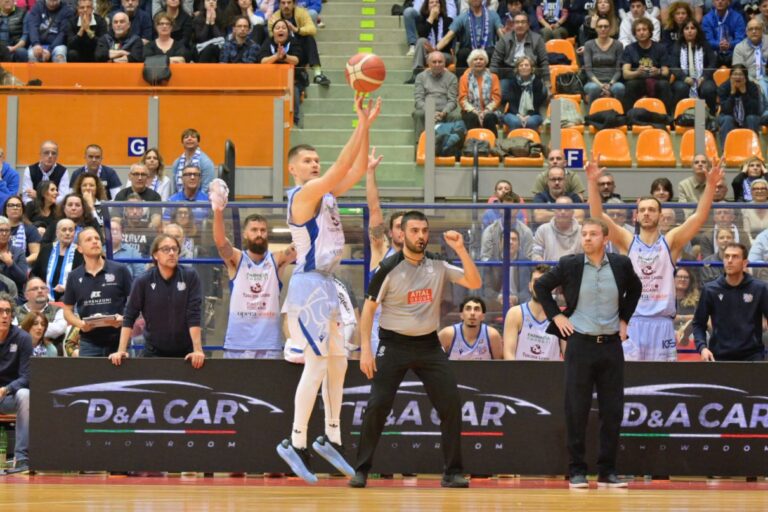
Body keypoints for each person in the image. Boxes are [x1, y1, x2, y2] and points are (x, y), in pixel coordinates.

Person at [276, 95, 380, 483]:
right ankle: (295, 441)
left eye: (316, 160)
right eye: (307, 160)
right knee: (318, 362)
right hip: (307, 286)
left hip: (327, 284)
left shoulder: (327, 195)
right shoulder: (302, 196)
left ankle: (331, 436)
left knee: (338, 359)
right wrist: (361, 124)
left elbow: (354, 169)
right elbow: (340, 169)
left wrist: (366, 130)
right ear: (292, 168)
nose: (314, 164)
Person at [350, 210, 481, 489]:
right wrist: (366, 351)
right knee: (377, 405)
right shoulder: (388, 268)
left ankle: (452, 472)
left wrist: (460, 249)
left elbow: (474, 282)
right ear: (402, 234)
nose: (420, 236)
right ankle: (361, 470)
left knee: (451, 403)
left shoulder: (438, 264)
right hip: (393, 344)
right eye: (414, 231)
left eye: (424, 231)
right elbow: (368, 310)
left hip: (428, 345)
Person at [533, 218, 642, 489]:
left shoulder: (621, 264)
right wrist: (556, 316)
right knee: (576, 409)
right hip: (580, 344)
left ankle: (607, 472)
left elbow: (636, 289)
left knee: (612, 410)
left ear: (605, 239)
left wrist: (624, 319)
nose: (587, 238)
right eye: (584, 234)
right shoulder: (569, 264)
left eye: (593, 234)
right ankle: (577, 471)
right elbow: (541, 286)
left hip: (611, 345)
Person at [586, 150, 724, 361]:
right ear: (636, 215)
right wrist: (591, 182)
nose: (647, 213)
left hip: (662, 324)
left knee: (662, 378)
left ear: (660, 215)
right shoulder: (627, 240)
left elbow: (699, 217)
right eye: (642, 210)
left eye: (652, 209)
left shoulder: (670, 241)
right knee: (630, 378)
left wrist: (711, 185)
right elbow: (597, 217)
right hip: (633, 321)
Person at [211, 183, 296, 359]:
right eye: (254, 230)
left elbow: (301, 245)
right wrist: (218, 211)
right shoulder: (237, 259)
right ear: (245, 234)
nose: (259, 234)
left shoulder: (277, 260)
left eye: (263, 230)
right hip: (237, 345)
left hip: (269, 346)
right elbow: (221, 243)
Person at [109, 233, 204, 365]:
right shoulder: (143, 280)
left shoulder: (190, 276)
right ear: (155, 255)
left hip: (186, 352)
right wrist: (121, 350)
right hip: (153, 352)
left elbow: (194, 314)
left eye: (174, 249)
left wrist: (198, 350)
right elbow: (129, 315)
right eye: (166, 249)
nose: (171, 253)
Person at [62, 227, 132, 357]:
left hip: (119, 340)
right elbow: (67, 311)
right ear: (80, 249)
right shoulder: (74, 276)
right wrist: (80, 324)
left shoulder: (120, 270)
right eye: (88, 239)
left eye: (97, 238)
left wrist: (123, 319)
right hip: (89, 343)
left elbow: (135, 304)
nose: (95, 241)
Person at [693, 242, 768, 361]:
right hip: (719, 357)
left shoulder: (760, 288)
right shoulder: (710, 289)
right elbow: (698, 324)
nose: (729, 260)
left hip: (752, 357)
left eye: (735, 257)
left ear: (745, 263)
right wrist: (702, 348)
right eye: (726, 256)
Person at [503, 263, 565, 360]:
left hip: (551, 370)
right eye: (536, 281)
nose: (540, 285)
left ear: (553, 287)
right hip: (521, 370)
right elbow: (508, 353)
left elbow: (568, 356)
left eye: (545, 282)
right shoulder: (515, 314)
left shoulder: (562, 318)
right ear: (529, 286)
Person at [0, 292, 31, 474]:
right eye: (0, 311)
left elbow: (27, 376)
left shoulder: (22, 338)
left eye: (8, 311)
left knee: (25, 394)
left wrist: (6, 389)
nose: (4, 315)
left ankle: (21, 459)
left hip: (10, 397)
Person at [268, 0, 330, 86]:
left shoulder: (301, 13)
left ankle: (318, 74)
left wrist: (296, 29)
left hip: (300, 49)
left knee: (309, 38)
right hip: (284, 51)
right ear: (279, 5)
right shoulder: (274, 17)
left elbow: (312, 29)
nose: (286, 6)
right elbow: (271, 37)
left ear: (294, 4)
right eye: (283, 3)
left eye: (289, 2)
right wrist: (283, 31)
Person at [489, 11, 550, 100]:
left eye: (523, 22)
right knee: (500, 91)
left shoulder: (537, 39)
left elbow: (544, 61)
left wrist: (547, 82)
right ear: (513, 25)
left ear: (528, 25)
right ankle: (518, 101)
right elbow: (495, 61)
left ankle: (521, 101)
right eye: (517, 22)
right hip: (510, 76)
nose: (520, 25)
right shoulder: (504, 39)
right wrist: (491, 83)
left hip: (531, 75)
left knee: (544, 91)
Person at [620, 17, 673, 115]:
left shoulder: (660, 48)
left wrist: (658, 71)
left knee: (664, 85)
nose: (641, 32)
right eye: (638, 30)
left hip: (656, 80)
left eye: (644, 29)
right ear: (635, 33)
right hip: (638, 81)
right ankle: (628, 118)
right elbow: (625, 74)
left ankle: (667, 118)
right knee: (631, 85)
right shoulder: (629, 49)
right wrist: (637, 72)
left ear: (650, 32)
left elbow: (666, 72)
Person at [436, 0, 503, 74]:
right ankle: (461, 79)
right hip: (468, 51)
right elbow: (447, 38)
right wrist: (434, 50)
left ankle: (493, 79)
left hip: (488, 50)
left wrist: (506, 34)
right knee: (462, 53)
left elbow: (502, 36)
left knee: (493, 53)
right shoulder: (462, 17)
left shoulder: (493, 15)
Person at [257, 18, 304, 125]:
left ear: (288, 32)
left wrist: (285, 57)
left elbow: (296, 60)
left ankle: (294, 120)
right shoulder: (268, 42)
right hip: (271, 80)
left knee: (294, 90)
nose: (280, 30)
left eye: (283, 28)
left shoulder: (293, 42)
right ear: (273, 32)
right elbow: (263, 61)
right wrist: (276, 56)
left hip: (291, 80)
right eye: (277, 28)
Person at [669, 19, 718, 114]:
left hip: (702, 78)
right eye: (686, 28)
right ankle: (681, 117)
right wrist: (684, 78)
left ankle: (703, 118)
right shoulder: (677, 45)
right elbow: (673, 66)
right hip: (683, 79)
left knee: (708, 89)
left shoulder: (705, 45)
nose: (690, 31)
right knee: (681, 88)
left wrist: (704, 77)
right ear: (683, 32)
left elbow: (713, 63)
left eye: (692, 28)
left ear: (697, 31)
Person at [412, 50, 460, 142]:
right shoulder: (420, 77)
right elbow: (419, 100)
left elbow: (452, 100)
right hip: (427, 108)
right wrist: (431, 112)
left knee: (456, 115)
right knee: (418, 114)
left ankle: (450, 145)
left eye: (440, 62)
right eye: (434, 62)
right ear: (428, 63)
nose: (437, 64)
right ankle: (421, 144)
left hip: (445, 109)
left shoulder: (452, 77)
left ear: (444, 63)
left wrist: (444, 112)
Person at [31, 219, 84, 301]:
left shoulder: (80, 252)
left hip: (72, 297)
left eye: (71, 230)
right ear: (57, 232)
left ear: (74, 233)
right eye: (64, 230)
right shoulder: (46, 249)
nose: (67, 233)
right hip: (44, 296)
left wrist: (67, 288)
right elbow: (35, 273)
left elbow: (84, 279)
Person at [438, 296, 502, 360]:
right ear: (461, 315)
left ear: (483, 316)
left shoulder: (492, 335)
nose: (472, 313)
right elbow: (434, 360)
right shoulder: (447, 334)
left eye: (476, 309)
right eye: (468, 309)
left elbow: (500, 364)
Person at [13, 277, 67, 350]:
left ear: (47, 292)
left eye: (43, 288)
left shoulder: (58, 310)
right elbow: (12, 332)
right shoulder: (15, 311)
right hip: (21, 351)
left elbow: (59, 329)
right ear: (26, 295)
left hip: (52, 354)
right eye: (35, 288)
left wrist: (25, 327)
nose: (40, 291)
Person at [406, 0, 453, 83]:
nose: (434, 4)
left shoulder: (448, 21)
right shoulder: (421, 19)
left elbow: (448, 43)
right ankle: (417, 73)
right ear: (427, 6)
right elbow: (422, 34)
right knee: (421, 40)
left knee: (439, 56)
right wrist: (431, 18)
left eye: (437, 2)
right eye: (431, 2)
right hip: (427, 55)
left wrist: (434, 51)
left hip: (444, 55)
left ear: (441, 5)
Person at [582, 16, 625, 106]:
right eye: (600, 26)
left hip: (612, 82)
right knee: (594, 88)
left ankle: (618, 113)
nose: (603, 29)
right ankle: (592, 113)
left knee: (620, 88)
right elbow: (588, 70)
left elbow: (618, 70)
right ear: (596, 28)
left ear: (610, 28)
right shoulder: (588, 44)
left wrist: (610, 84)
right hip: (593, 82)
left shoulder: (618, 45)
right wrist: (600, 85)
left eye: (606, 26)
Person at [717, 64, 762, 147]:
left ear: (745, 77)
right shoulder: (723, 87)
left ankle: (752, 149)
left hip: (747, 117)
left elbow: (755, 109)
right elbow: (725, 110)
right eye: (735, 74)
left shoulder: (752, 87)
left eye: (740, 74)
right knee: (727, 119)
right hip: (729, 116)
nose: (737, 77)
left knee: (752, 118)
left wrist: (744, 93)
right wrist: (732, 94)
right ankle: (726, 151)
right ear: (730, 76)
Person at [458, 49, 501, 133]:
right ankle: (472, 139)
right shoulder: (464, 78)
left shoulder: (493, 77)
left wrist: (485, 112)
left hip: (490, 110)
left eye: (481, 59)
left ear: (485, 62)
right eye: (475, 59)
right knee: (472, 117)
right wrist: (476, 112)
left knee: (488, 117)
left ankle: (491, 140)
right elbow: (462, 99)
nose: (478, 61)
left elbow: (497, 99)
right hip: (470, 111)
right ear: (471, 63)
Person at [501, 56, 546, 131]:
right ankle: (515, 138)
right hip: (513, 113)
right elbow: (511, 103)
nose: (523, 67)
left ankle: (531, 138)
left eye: (526, 65)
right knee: (515, 122)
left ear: (531, 68)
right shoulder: (512, 82)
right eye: (521, 65)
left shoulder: (537, 83)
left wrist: (528, 116)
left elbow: (537, 104)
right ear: (517, 69)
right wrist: (519, 116)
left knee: (531, 122)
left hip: (533, 114)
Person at [533, 196, 583, 261]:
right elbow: (536, 253)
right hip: (549, 267)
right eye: (559, 208)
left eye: (567, 209)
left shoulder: (582, 231)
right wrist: (542, 264)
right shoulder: (543, 230)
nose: (563, 212)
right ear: (554, 211)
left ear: (573, 212)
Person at [21, 141, 69, 205]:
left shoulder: (63, 171)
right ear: (40, 154)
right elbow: (26, 198)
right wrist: (50, 199)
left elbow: (63, 198)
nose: (50, 156)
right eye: (46, 153)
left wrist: (38, 196)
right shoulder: (29, 170)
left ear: (57, 156)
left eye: (53, 153)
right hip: (34, 208)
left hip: (55, 209)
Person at [171, 128, 215, 195]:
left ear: (198, 142)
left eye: (193, 137)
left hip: (200, 200)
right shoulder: (176, 163)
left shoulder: (206, 162)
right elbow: (175, 189)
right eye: (186, 137)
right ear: (182, 142)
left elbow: (206, 188)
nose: (189, 139)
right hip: (180, 200)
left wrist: (194, 200)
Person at [702, 0, 746, 67]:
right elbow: (707, 40)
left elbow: (740, 39)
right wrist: (719, 45)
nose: (720, 1)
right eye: (717, 0)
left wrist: (730, 45)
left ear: (729, 2)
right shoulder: (707, 18)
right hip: (714, 52)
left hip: (733, 52)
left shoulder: (738, 18)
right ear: (713, 2)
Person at [4, 196, 40, 265]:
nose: (15, 208)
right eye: (11, 205)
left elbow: (36, 254)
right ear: (5, 210)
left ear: (22, 210)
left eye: (18, 205)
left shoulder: (30, 229)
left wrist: (18, 262)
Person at [0, 216, 28, 298]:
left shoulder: (18, 252)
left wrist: (10, 263)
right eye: (1, 230)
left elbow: (23, 279)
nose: (4, 233)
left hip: (13, 296)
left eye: (7, 230)